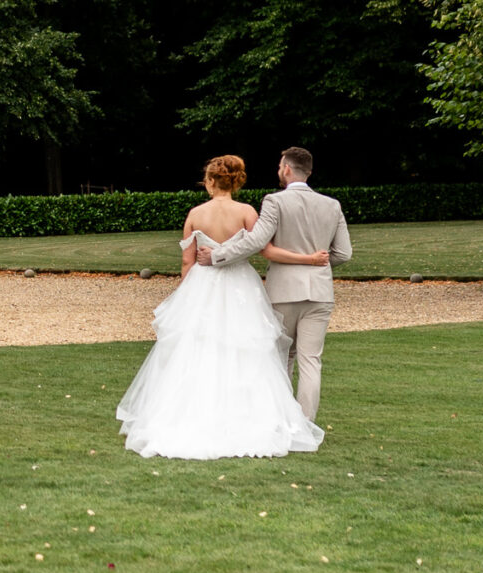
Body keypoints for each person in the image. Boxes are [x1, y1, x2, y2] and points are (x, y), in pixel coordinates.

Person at [113, 154, 327, 459]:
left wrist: (186, 300)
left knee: (196, 350)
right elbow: (263, 250)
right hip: (241, 285)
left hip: (203, 284)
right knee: (246, 350)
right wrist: (309, 259)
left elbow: (187, 263)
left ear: (211, 180)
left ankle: (191, 415)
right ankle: (250, 417)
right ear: (237, 180)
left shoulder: (195, 214)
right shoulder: (247, 212)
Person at [203, 146, 351, 420]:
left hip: (284, 291)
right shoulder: (332, 205)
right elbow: (344, 253)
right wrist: (314, 263)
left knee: (282, 357)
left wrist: (217, 255)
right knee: (310, 361)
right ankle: (305, 425)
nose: (278, 171)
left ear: (286, 169)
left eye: (279, 166)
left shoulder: (274, 201)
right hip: (320, 293)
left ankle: (281, 422)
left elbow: (257, 241)